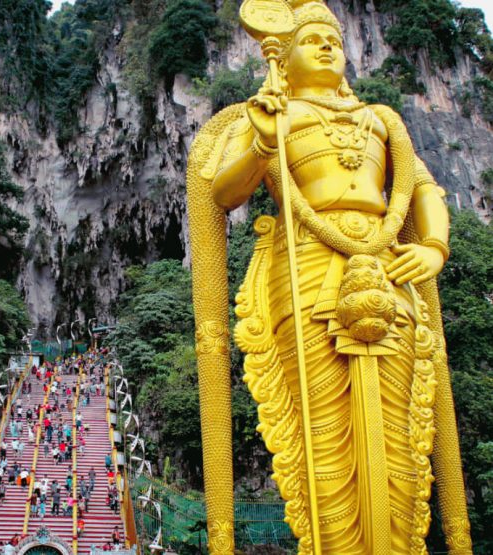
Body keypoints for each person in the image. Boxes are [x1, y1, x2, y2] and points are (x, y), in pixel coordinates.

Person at [190, 1, 472, 552]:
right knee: (319, 430)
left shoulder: (382, 120)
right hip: (304, 270)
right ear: (283, 58)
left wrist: (434, 246)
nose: (326, 47)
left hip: (389, 270)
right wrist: (263, 142)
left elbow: (422, 190)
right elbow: (223, 193)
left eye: (334, 39)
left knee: (400, 435)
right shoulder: (269, 115)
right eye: (310, 39)